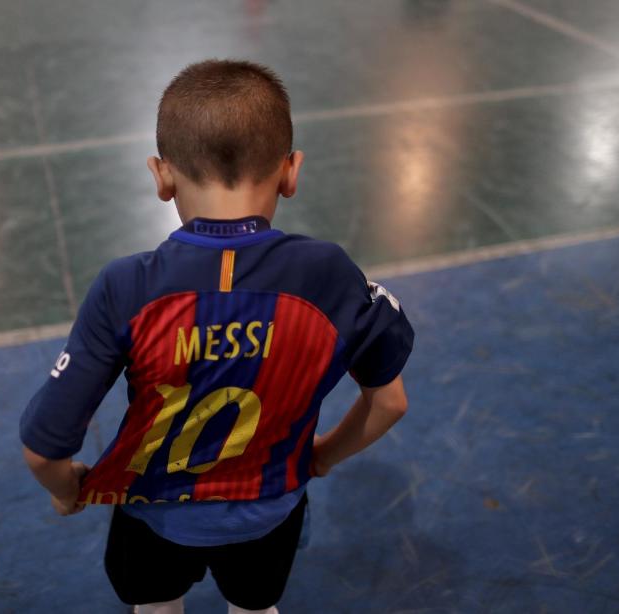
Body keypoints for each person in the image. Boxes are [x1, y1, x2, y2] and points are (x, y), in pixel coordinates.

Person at [20, 59, 414, 614]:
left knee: (155, 605)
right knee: (255, 606)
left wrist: (66, 493)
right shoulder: (327, 276)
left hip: (154, 519)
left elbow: (44, 450)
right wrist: (321, 460)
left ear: (161, 176)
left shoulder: (128, 287)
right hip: (271, 515)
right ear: (290, 171)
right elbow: (390, 401)